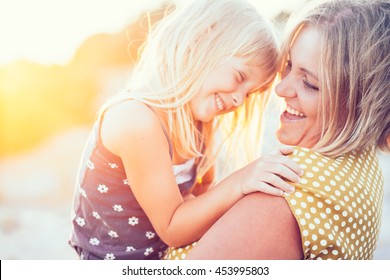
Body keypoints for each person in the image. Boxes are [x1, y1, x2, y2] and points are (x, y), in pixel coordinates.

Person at [68, 0, 304, 260]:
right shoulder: (136, 120)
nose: (238, 100)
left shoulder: (199, 123)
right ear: (199, 43)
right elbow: (172, 227)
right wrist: (241, 180)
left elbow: (202, 197)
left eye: (248, 95)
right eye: (239, 77)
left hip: (164, 255)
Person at [165, 0, 389, 260]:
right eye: (289, 66)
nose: (280, 90)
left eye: (310, 84)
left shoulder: (286, 187)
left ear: (363, 104)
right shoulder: (362, 165)